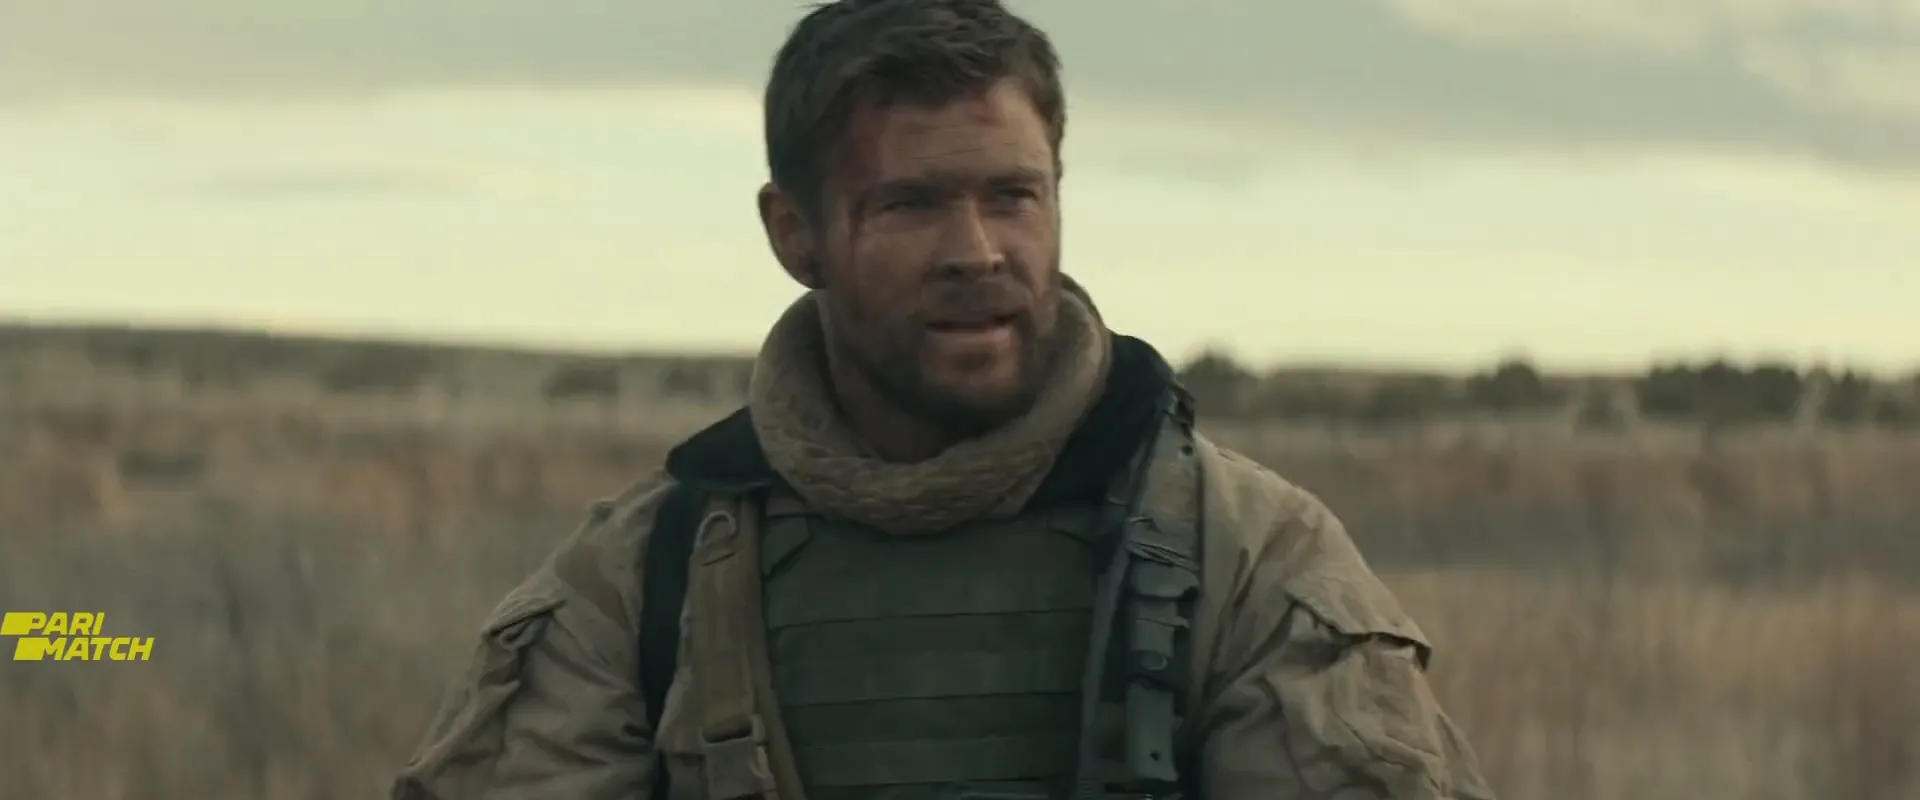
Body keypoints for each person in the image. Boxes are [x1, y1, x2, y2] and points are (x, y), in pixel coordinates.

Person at [390, 1, 1495, 798]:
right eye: (911, 204)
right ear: (795, 234)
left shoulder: (1249, 555)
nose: (976, 252)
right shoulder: (644, 578)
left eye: (1012, 196)